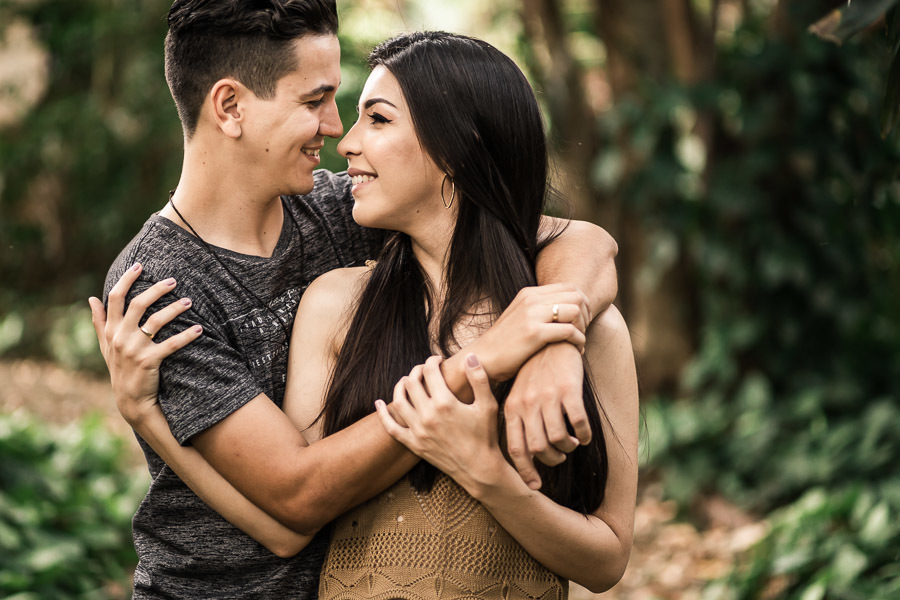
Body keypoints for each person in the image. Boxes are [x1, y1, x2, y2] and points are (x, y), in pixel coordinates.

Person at [88, 1, 619, 599]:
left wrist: (556, 345)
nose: (336, 128)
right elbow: (297, 495)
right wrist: (489, 358)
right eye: (313, 101)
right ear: (230, 107)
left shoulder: (342, 208)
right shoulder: (158, 287)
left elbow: (578, 239)